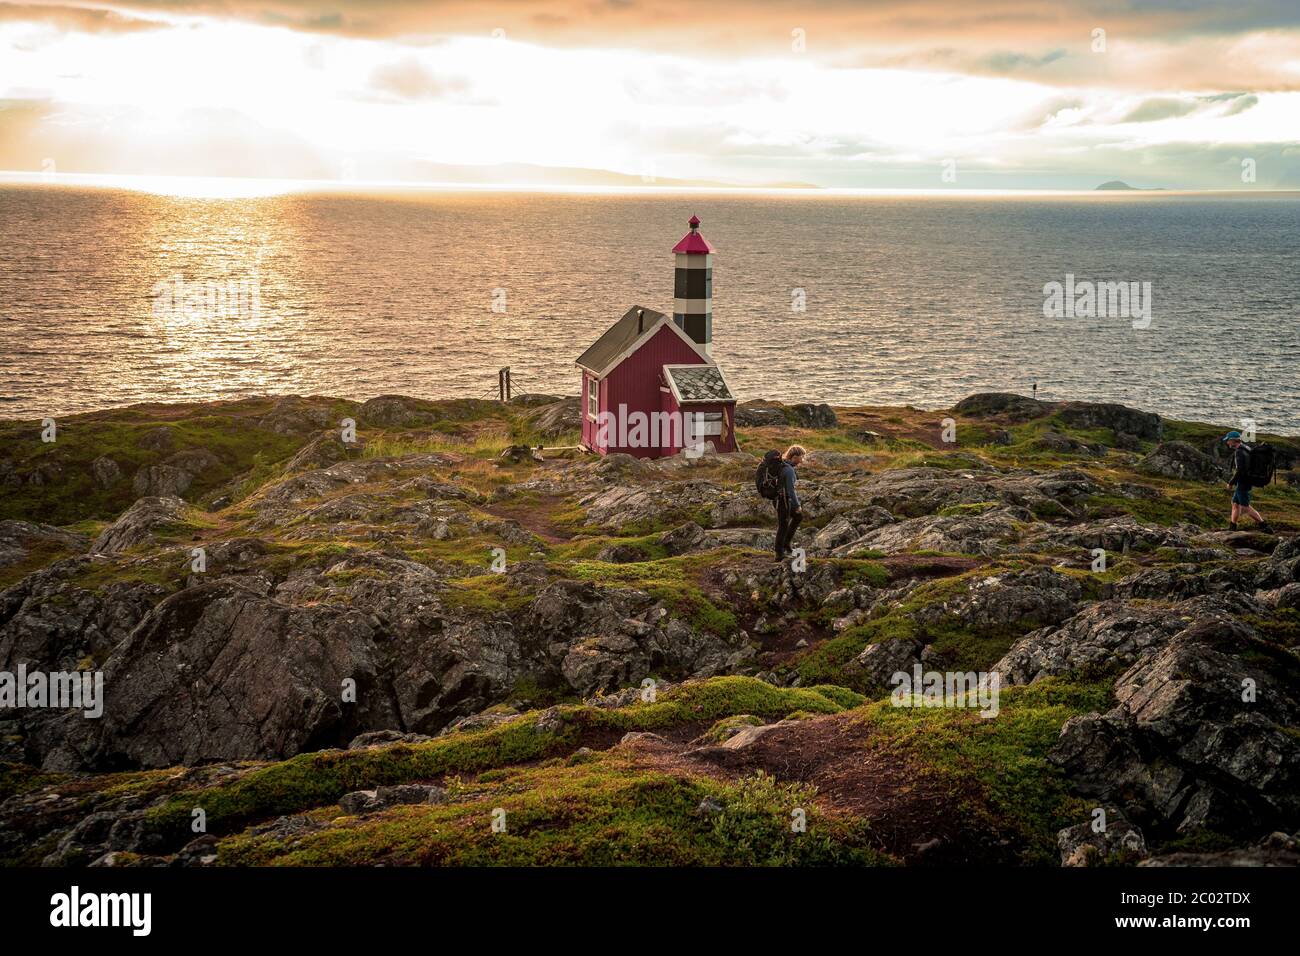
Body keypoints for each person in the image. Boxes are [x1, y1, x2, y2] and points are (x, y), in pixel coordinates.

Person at [1223, 431, 1274, 533]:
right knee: (1235, 504)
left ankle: (1264, 526)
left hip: (1244, 482)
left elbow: (1240, 470)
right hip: (1246, 481)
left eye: (1228, 440)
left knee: (1245, 507)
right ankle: (1232, 527)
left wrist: (1231, 483)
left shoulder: (1239, 452)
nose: (1227, 442)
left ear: (1233, 440)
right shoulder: (1245, 447)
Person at [774, 444, 806, 561]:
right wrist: (797, 505)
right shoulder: (789, 470)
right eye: (801, 457)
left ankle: (786, 545)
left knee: (797, 517)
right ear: (795, 457)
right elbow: (790, 490)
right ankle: (779, 553)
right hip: (784, 501)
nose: (802, 459)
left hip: (779, 499)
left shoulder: (784, 466)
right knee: (783, 525)